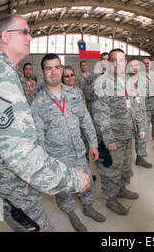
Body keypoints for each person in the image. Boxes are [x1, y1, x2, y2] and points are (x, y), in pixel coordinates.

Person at [0, 14, 90, 232]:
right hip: (13, 188)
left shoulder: (5, 74)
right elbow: (20, 155)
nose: (30, 37)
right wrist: (73, 178)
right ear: (5, 36)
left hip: (9, 184)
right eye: (24, 32)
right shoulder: (1, 80)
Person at [31, 54, 106, 232]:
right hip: (56, 157)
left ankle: (88, 207)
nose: (54, 72)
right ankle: (72, 214)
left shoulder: (74, 94)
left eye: (57, 67)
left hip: (79, 152)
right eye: (49, 68)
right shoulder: (38, 103)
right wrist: (45, 162)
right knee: (63, 191)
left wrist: (93, 144)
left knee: (86, 182)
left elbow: (86, 120)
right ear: (43, 72)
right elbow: (39, 136)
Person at [92, 48, 144, 215]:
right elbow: (101, 114)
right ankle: (111, 199)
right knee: (112, 170)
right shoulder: (102, 83)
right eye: (113, 60)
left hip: (128, 135)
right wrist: (108, 139)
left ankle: (121, 189)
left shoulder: (128, 81)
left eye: (120, 60)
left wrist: (139, 128)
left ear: (126, 63)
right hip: (113, 138)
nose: (117, 63)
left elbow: (135, 106)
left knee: (125, 166)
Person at [127, 58, 152, 168]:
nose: (134, 68)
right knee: (127, 139)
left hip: (141, 113)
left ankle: (140, 157)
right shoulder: (122, 80)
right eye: (131, 65)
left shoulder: (144, 80)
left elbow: (149, 93)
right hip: (128, 115)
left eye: (136, 65)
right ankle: (125, 163)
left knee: (142, 135)